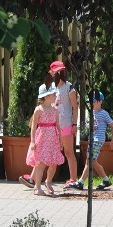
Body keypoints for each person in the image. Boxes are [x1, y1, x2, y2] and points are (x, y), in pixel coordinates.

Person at [19, 60, 78, 189]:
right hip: (50, 126)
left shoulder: (69, 87)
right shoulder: (50, 87)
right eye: (56, 71)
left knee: (68, 152)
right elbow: (42, 104)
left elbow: (75, 106)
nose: (60, 73)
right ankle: (34, 178)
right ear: (51, 73)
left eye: (61, 70)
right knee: (42, 152)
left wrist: (74, 124)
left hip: (65, 124)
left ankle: (73, 179)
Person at [65, 90, 113, 191]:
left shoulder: (104, 113)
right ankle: (105, 180)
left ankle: (81, 182)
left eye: (94, 101)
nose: (92, 103)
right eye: (91, 101)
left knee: (90, 160)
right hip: (92, 140)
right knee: (91, 161)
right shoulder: (92, 113)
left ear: (101, 101)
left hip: (98, 140)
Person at [25, 85, 64, 196]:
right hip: (42, 139)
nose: (55, 95)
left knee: (53, 163)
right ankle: (37, 187)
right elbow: (33, 127)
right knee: (40, 163)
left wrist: (60, 140)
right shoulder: (39, 110)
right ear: (46, 96)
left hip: (53, 140)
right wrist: (32, 141)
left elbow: (57, 125)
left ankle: (48, 181)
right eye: (53, 94)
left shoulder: (55, 110)